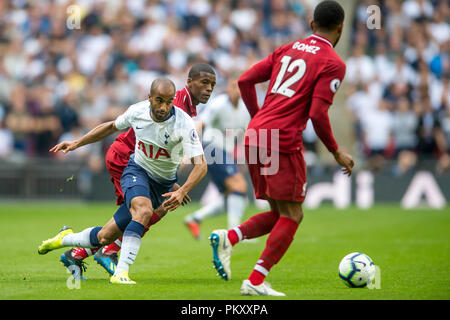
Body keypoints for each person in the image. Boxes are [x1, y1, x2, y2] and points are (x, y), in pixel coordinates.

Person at [208, 0, 354, 296]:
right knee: (294, 215)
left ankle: (230, 237)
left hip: (255, 137)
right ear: (341, 27)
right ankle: (256, 281)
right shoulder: (333, 63)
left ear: (312, 25)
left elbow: (245, 80)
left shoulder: (288, 48)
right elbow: (316, 114)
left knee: (279, 212)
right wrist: (336, 151)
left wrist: (258, 117)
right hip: (282, 141)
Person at [38, 78, 208, 285]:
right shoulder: (138, 111)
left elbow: (201, 165)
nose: (164, 107)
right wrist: (77, 143)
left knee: (105, 236)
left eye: (169, 102)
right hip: (137, 171)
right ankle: (121, 272)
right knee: (144, 212)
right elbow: (110, 127)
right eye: (159, 101)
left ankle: (64, 239)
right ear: (149, 98)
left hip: (162, 184)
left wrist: (181, 191)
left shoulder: (183, 123)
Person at [184, 74, 250, 239]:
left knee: (233, 194)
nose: (235, 90)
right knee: (239, 186)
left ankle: (195, 218)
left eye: (239, 86)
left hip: (224, 153)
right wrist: (187, 150)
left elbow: (244, 135)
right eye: (233, 86)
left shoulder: (244, 109)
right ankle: (234, 234)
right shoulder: (219, 104)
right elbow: (200, 124)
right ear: (228, 87)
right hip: (212, 149)